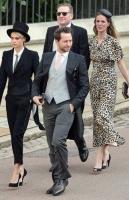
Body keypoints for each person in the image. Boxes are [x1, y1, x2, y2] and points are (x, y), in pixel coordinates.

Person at [32, 27, 89, 196]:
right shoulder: (47, 57)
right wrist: (35, 95)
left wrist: (74, 104)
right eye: (65, 41)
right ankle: (57, 179)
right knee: (51, 146)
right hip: (48, 105)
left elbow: (85, 86)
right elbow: (37, 81)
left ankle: (63, 178)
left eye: (70, 41)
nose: (69, 44)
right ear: (57, 41)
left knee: (58, 141)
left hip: (66, 105)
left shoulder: (78, 59)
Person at [0, 22, 39, 187]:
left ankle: (17, 167)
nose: (14, 41)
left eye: (17, 38)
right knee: (14, 135)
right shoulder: (6, 55)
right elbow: (1, 78)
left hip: (25, 100)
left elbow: (37, 79)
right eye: (12, 38)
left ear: (24, 39)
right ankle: (21, 167)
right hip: (11, 100)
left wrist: (36, 96)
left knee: (18, 134)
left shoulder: (32, 56)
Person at [43, 2, 90, 171]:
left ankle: (81, 143)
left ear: (71, 15)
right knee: (55, 129)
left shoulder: (81, 33)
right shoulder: (51, 32)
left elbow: (85, 58)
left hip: (73, 89)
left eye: (64, 13)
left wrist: (76, 83)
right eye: (59, 14)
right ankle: (57, 159)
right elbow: (46, 56)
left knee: (75, 122)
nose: (61, 16)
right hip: (53, 88)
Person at [89, 9, 129, 172]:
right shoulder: (91, 42)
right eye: (97, 21)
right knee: (97, 121)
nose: (99, 24)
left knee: (102, 117)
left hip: (108, 83)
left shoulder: (113, 42)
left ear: (108, 24)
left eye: (102, 21)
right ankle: (102, 155)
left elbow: (120, 63)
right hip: (94, 84)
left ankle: (114, 139)